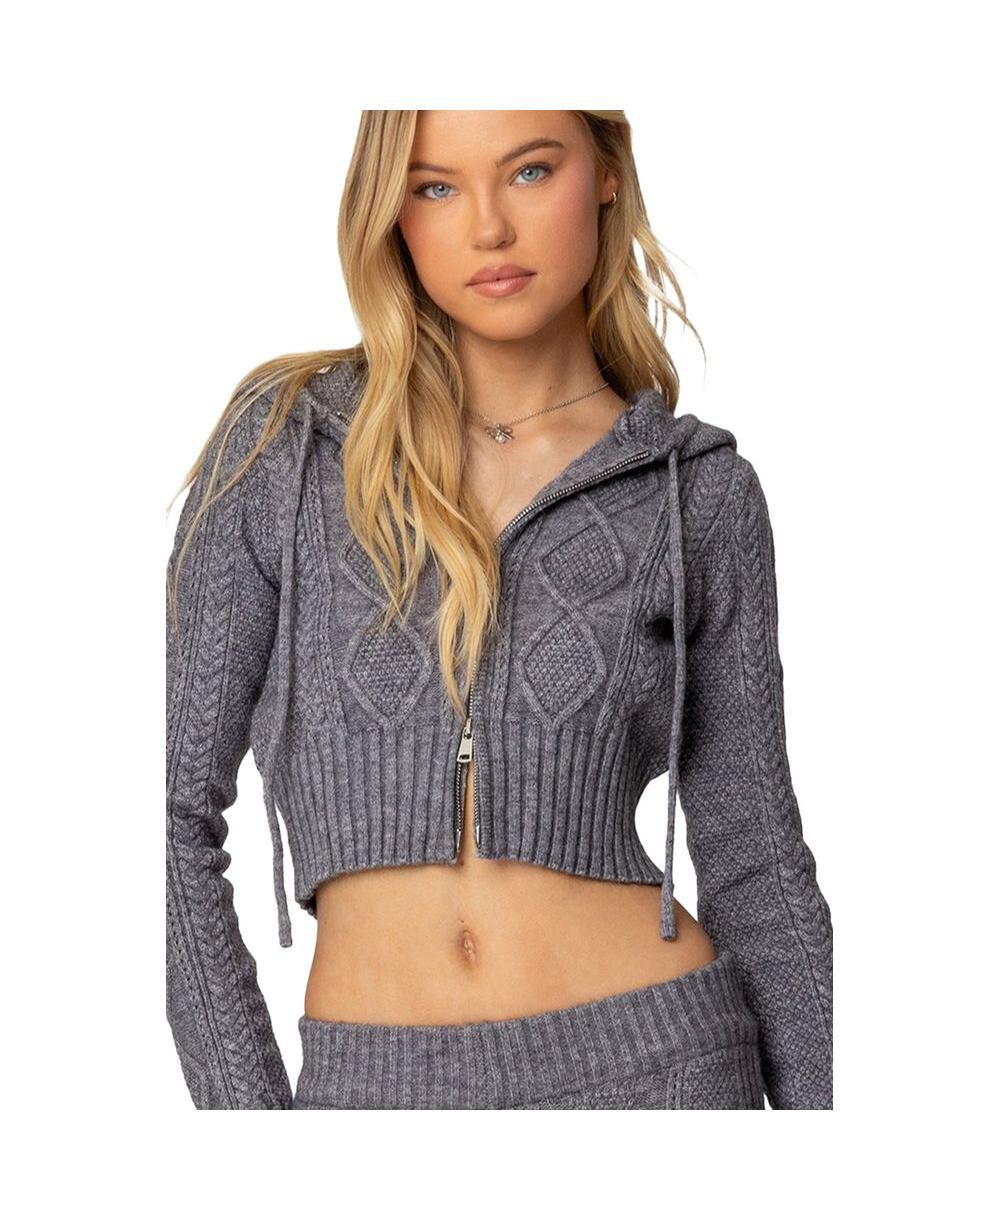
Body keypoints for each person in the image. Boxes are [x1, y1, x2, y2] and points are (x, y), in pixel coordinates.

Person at [165, 109, 833, 1110]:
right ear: (391, 210)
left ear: (604, 172)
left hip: (661, 1072)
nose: (487, 227)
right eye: (435, 186)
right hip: (372, 1096)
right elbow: (165, 817)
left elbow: (756, 865)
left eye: (529, 171)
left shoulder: (694, 492)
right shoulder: (282, 453)